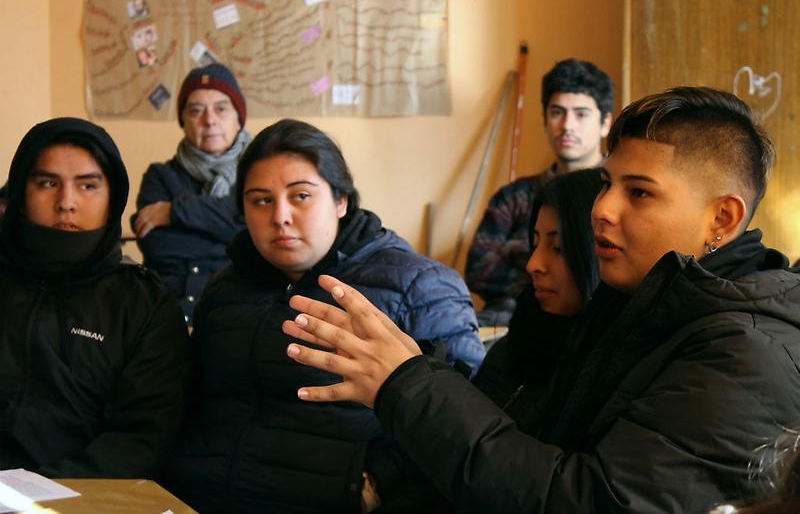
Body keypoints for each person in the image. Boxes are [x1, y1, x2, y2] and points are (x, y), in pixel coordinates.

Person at [284, 87, 800, 513]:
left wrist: (409, 385)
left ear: (723, 219)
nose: (602, 209)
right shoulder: (635, 306)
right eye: (606, 184)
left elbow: (584, 501)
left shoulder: (743, 353)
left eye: (639, 192)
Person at [162, 119, 485, 513]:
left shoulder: (418, 287)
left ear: (341, 201)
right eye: (260, 200)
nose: (280, 216)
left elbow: (465, 427)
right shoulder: (224, 288)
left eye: (300, 196)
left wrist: (375, 484)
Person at [0, 117, 190, 477]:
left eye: (88, 186)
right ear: (20, 195)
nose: (66, 202)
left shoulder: (143, 304)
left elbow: (142, 437)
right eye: (47, 183)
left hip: (77, 497)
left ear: (112, 199)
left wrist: (43, 493)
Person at [466, 58, 613, 324]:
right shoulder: (514, 196)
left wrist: (514, 253)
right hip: (510, 322)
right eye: (557, 112)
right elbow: (478, 269)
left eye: (581, 114)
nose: (567, 125)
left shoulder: (615, 195)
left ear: (605, 123)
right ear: (545, 118)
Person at [473, 168, 602, 423]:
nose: (533, 264)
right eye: (535, 243)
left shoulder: (610, 368)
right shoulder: (520, 337)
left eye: (558, 247)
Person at [132, 62, 251, 325]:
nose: (209, 120)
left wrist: (175, 212)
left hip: (239, 312)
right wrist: (230, 228)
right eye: (196, 110)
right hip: (168, 314)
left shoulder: (258, 173)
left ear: (238, 118)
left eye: (221, 109)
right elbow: (159, 248)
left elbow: (258, 229)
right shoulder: (160, 176)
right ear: (183, 121)